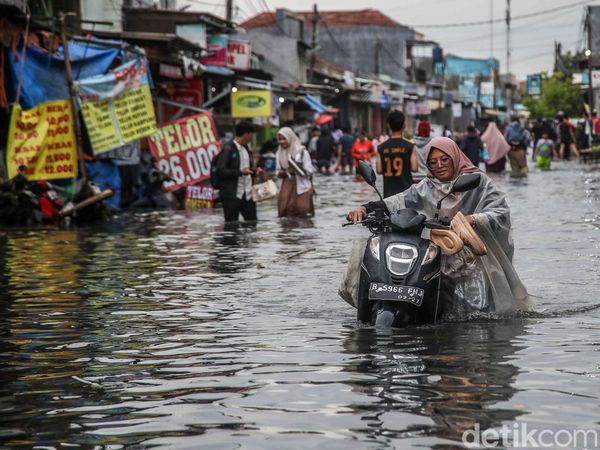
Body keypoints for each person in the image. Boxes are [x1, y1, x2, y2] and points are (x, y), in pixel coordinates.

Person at [346, 137, 529, 313]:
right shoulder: (428, 186)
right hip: (435, 249)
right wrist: (365, 208)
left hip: (471, 255)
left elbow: (500, 212)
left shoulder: (478, 182)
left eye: (444, 159)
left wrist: (471, 220)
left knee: (477, 312)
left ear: (455, 157)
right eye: (433, 162)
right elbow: (399, 200)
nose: (439, 166)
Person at [216, 121, 260, 223]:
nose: (252, 137)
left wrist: (255, 172)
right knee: (231, 226)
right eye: (251, 135)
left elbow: (247, 170)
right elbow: (220, 171)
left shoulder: (247, 149)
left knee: (252, 223)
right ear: (246, 134)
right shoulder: (228, 149)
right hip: (231, 196)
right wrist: (239, 172)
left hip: (248, 195)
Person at [375, 110, 417, 196]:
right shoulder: (410, 145)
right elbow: (414, 168)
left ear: (388, 125)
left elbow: (379, 170)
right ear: (404, 125)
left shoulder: (381, 147)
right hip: (407, 195)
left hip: (389, 196)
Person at [276, 127, 315, 217]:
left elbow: (309, 170)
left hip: (301, 185)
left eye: (284, 138)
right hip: (286, 185)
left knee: (302, 211)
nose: (282, 142)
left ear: (290, 137)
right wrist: (282, 173)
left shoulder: (301, 151)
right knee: (285, 211)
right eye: (280, 139)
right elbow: (277, 170)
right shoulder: (279, 152)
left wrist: (297, 168)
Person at [413, 120, 432, 184]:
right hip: (428, 178)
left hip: (413, 178)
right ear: (429, 130)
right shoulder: (433, 144)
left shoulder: (410, 143)